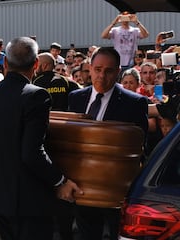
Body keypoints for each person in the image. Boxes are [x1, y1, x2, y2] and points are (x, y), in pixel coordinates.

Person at [0, 37, 83, 240]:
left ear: (5, 63)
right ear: (36, 65)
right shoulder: (36, 96)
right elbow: (31, 152)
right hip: (29, 201)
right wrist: (60, 181)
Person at [68, 47, 148, 240]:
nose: (101, 75)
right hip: (83, 188)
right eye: (97, 69)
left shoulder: (134, 102)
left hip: (117, 190)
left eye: (108, 71)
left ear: (118, 71)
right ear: (90, 68)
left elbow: (139, 144)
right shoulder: (76, 98)